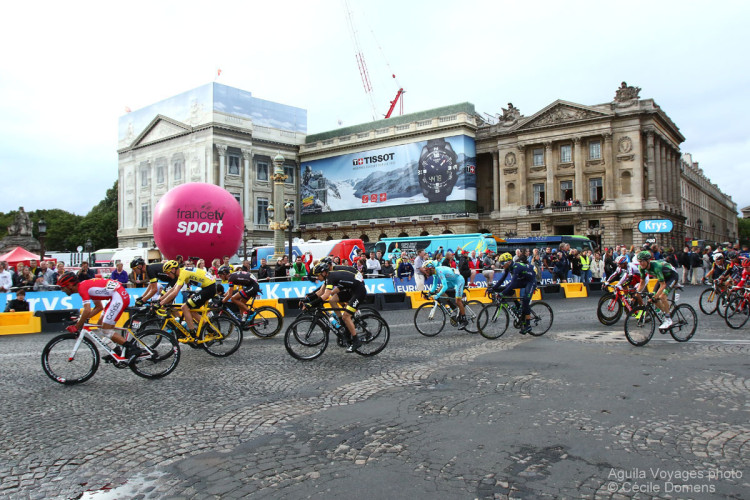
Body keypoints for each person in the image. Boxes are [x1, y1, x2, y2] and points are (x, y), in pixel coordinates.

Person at [56, 272, 143, 363]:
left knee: (106, 330)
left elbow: (87, 310)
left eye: (62, 287)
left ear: (69, 285)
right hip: (116, 296)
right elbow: (98, 307)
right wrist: (80, 320)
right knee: (100, 325)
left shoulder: (82, 288)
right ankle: (117, 351)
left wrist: (77, 326)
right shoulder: (85, 286)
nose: (62, 290)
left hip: (118, 297)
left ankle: (133, 349)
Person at [303, 261, 367, 352]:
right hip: (349, 288)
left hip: (358, 291)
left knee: (346, 316)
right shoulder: (328, 277)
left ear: (324, 273)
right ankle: (342, 323)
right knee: (332, 300)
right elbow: (321, 292)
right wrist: (306, 300)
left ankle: (356, 341)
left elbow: (325, 296)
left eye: (318, 275)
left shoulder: (331, 277)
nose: (317, 277)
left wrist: (310, 304)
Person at [158, 260, 217, 336]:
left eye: (167, 273)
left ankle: (192, 333)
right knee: (191, 311)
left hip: (209, 288)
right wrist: (160, 300)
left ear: (173, 270)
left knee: (185, 307)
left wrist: (161, 303)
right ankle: (211, 330)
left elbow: (175, 292)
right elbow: (173, 289)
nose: (167, 275)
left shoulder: (183, 273)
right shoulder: (182, 272)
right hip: (208, 287)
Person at [488, 252, 537, 334]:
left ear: (509, 262)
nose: (502, 265)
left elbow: (513, 283)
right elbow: (502, 279)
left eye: (503, 263)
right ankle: (518, 305)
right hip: (523, 279)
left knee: (525, 300)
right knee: (508, 288)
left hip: (530, 281)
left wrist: (502, 294)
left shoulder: (516, 267)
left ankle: (528, 325)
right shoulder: (508, 267)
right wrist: (493, 288)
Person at [636, 251, 679, 330]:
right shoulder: (641, 268)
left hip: (672, 276)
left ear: (648, 261)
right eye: (639, 261)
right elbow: (642, 283)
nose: (641, 263)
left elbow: (663, 285)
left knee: (662, 296)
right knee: (653, 298)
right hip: (662, 277)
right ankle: (665, 312)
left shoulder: (656, 267)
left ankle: (668, 319)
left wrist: (655, 296)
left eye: (642, 261)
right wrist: (637, 293)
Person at [422, 260, 468, 329]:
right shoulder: (434, 273)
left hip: (459, 281)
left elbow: (445, 286)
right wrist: (429, 293)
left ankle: (464, 320)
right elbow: (434, 285)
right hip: (452, 281)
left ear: (431, 268)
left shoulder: (439, 271)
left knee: (458, 301)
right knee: (439, 290)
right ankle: (453, 307)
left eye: (426, 270)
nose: (425, 272)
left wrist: (437, 295)